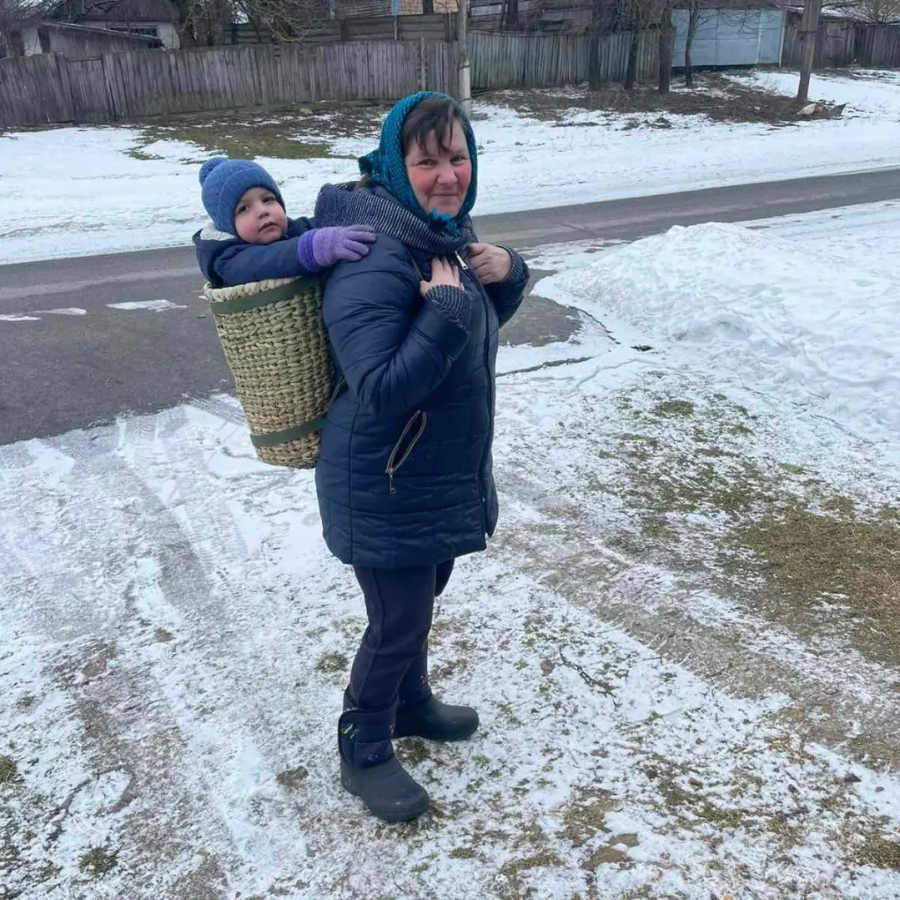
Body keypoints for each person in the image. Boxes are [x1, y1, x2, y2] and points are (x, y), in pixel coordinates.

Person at [312, 92, 530, 822]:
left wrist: (508, 274)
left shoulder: (440, 239)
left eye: (458, 158)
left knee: (421, 599)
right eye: (427, 161)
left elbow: (468, 333)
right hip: (383, 479)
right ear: (394, 168)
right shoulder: (375, 255)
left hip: (426, 472)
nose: (447, 175)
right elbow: (380, 386)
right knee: (396, 622)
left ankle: (410, 703)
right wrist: (445, 310)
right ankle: (363, 747)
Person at [192, 157, 376, 288]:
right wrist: (311, 248)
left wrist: (352, 205)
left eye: (268, 199)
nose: (262, 211)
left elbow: (318, 224)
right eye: (244, 208)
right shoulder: (226, 259)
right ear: (227, 225)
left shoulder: (290, 229)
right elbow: (264, 261)